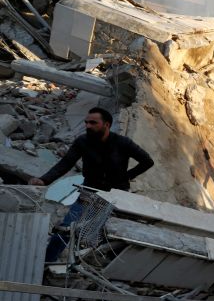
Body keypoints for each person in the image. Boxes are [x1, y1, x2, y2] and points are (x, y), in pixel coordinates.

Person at [29, 107, 154, 260]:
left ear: (106, 125)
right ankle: (46, 264)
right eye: (86, 122)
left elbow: (147, 161)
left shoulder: (123, 143)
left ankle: (108, 270)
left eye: (93, 123)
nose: (88, 126)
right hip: (89, 191)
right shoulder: (82, 142)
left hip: (116, 196)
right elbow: (66, 163)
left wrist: (126, 177)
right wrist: (44, 179)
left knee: (111, 235)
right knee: (67, 228)